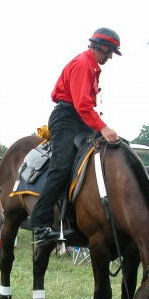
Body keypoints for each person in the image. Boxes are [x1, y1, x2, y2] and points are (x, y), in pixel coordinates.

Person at [31, 27, 121, 245]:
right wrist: (104, 128)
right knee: (61, 167)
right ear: (101, 46)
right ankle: (40, 224)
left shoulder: (91, 66)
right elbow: (82, 106)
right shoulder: (84, 65)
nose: (110, 56)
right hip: (67, 118)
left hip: (78, 118)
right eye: (110, 52)